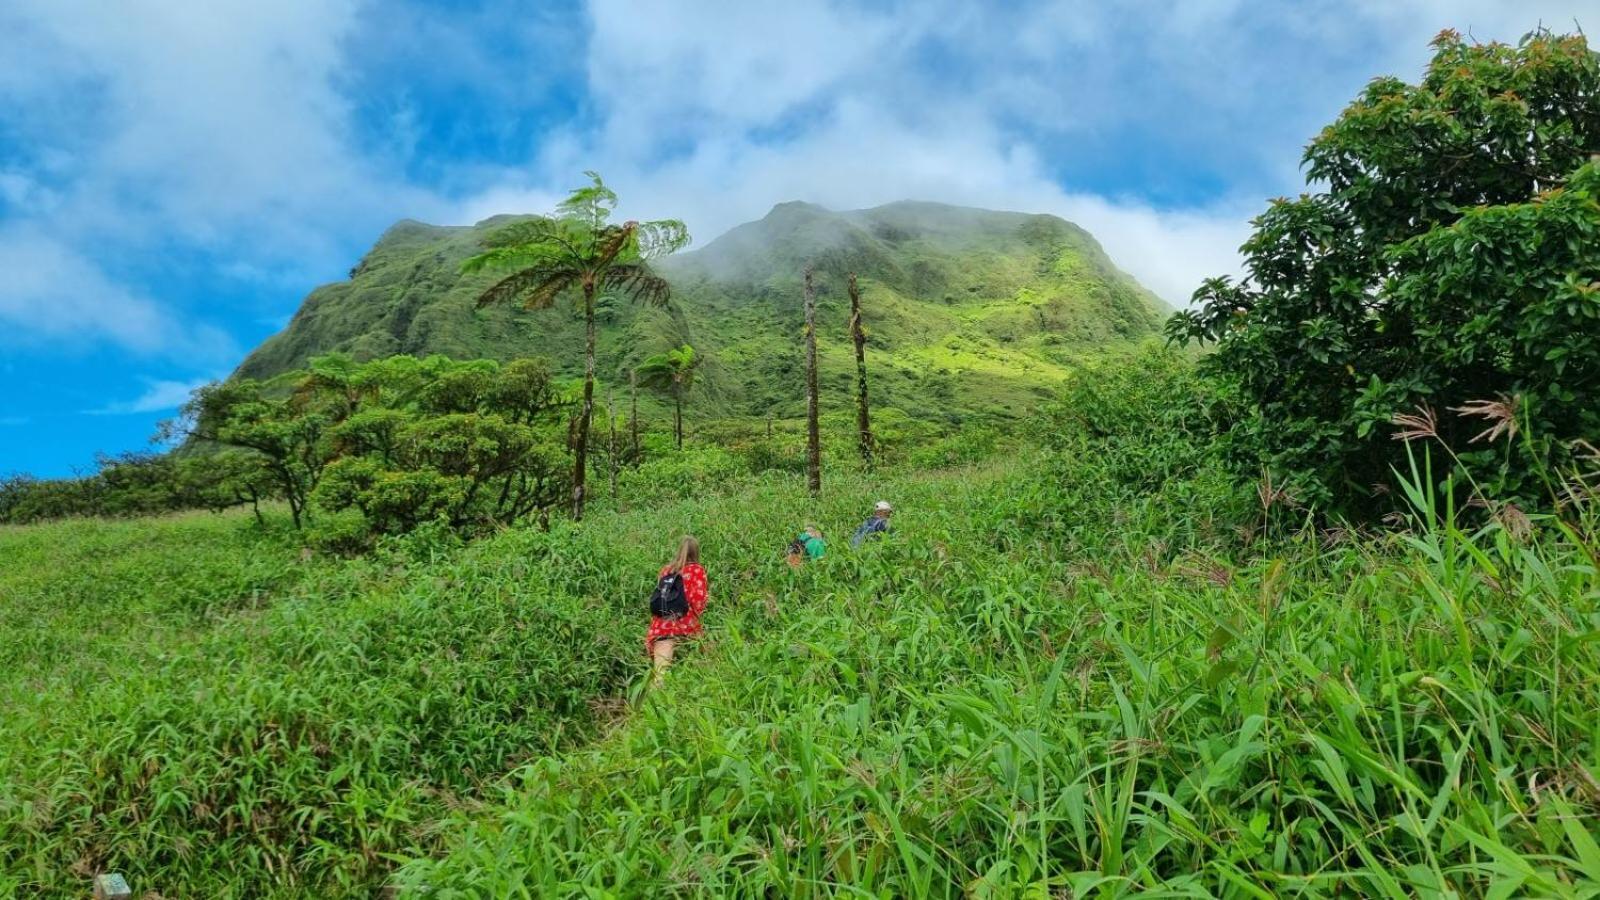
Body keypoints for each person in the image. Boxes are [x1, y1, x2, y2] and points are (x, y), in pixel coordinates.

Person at [646, 536, 708, 685]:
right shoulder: (697, 570)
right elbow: (699, 602)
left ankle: (653, 706)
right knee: (693, 676)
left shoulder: (666, 571)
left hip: (660, 630)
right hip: (687, 630)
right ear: (696, 552)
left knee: (659, 677)